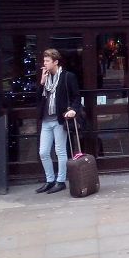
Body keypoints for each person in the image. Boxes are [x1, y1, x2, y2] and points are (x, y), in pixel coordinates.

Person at [36, 48, 80, 194]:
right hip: (46, 120)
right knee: (43, 152)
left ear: (55, 62)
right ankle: (50, 180)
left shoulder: (67, 77)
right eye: (44, 61)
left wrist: (73, 110)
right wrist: (42, 82)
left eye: (47, 61)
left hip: (60, 119)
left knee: (60, 150)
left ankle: (60, 181)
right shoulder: (45, 78)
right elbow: (38, 99)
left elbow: (76, 96)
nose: (44, 63)